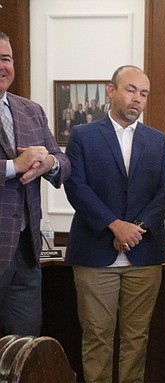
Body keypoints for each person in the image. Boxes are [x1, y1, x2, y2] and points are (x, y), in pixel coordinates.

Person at [65, 65, 165, 383]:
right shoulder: (83, 135)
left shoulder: (158, 140)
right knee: (97, 335)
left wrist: (136, 230)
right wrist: (114, 225)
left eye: (144, 94)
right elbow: (76, 187)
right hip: (96, 252)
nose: (137, 100)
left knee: (136, 336)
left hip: (143, 256)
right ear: (111, 91)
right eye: (131, 91)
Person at [0, 31, 70, 336]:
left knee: (24, 350)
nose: (2, 66)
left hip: (26, 253)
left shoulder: (31, 110)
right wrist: (14, 166)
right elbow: (19, 165)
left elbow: (62, 162)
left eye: (6, 59)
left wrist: (49, 162)